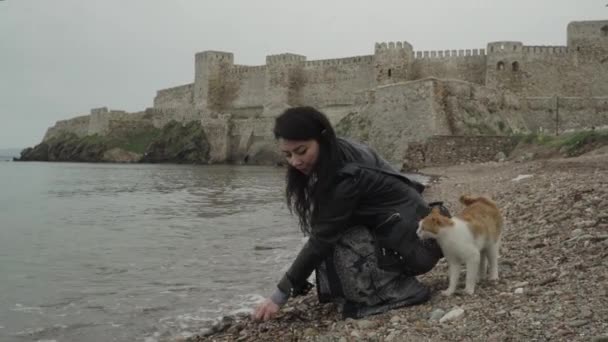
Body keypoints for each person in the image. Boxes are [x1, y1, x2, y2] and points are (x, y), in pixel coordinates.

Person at [253, 106, 446, 321]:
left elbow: (321, 239)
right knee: (330, 231)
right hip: (409, 237)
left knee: (336, 237)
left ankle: (399, 291)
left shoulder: (346, 176)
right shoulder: (340, 151)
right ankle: (372, 288)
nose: (295, 162)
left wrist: (279, 295)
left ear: (322, 138)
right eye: (287, 155)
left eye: (301, 151)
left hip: (417, 245)